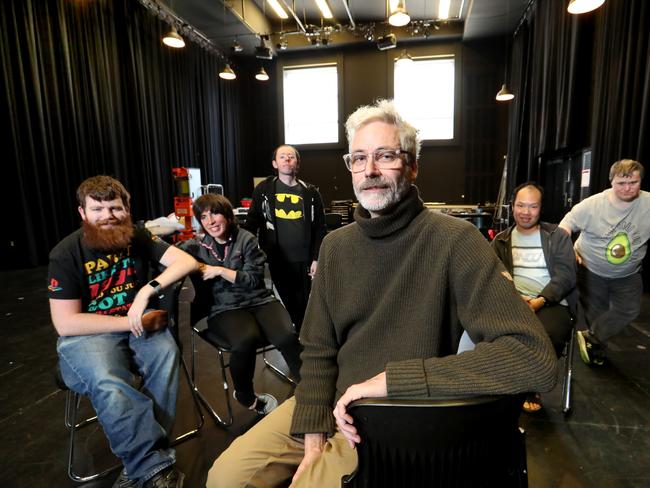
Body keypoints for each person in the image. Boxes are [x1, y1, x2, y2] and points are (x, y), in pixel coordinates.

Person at [206, 99, 557, 488]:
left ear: (413, 165)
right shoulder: (336, 247)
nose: (369, 170)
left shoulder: (456, 241)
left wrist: (392, 380)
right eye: (358, 158)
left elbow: (534, 357)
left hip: (394, 419)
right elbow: (319, 350)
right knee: (224, 478)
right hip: (331, 404)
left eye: (384, 155)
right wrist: (313, 436)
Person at [48, 175, 198, 488]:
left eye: (114, 208)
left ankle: (140, 464)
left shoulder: (138, 236)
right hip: (89, 333)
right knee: (109, 380)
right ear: (83, 213)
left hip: (137, 323)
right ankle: (154, 467)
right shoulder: (66, 253)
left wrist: (146, 291)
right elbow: (66, 323)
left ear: (126, 209)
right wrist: (133, 322)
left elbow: (186, 261)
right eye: (97, 209)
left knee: (166, 356)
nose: (107, 216)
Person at [178, 194, 302, 415]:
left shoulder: (246, 239)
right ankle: (245, 395)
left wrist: (220, 271)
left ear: (227, 214)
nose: (211, 221)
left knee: (287, 336)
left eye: (215, 213)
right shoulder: (196, 246)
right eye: (204, 217)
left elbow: (254, 279)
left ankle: (310, 390)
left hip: (260, 300)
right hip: (224, 308)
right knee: (245, 340)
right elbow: (164, 256)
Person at [491, 182, 577, 412]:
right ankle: (508, 382)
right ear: (512, 206)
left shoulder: (556, 236)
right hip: (513, 301)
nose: (526, 212)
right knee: (492, 332)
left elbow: (566, 276)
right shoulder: (501, 240)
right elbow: (493, 275)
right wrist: (517, 299)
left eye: (532, 206)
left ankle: (530, 387)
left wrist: (540, 300)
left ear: (541, 208)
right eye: (520, 205)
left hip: (552, 302)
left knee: (546, 335)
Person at [559, 159, 650, 366]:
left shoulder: (648, 204)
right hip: (591, 269)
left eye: (633, 183)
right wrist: (567, 252)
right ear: (611, 182)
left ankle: (591, 337)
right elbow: (566, 225)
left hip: (628, 273)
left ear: (640, 181)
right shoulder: (593, 205)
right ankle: (595, 349)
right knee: (596, 312)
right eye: (621, 183)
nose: (627, 188)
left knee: (629, 310)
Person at [243, 145, 327, 333]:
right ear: (275, 163)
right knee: (288, 299)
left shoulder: (310, 192)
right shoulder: (264, 189)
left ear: (297, 162)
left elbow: (320, 228)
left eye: (291, 156)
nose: (287, 159)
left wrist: (316, 258)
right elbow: (252, 222)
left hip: (304, 258)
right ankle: (300, 334)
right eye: (282, 156)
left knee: (306, 301)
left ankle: (305, 336)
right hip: (277, 257)